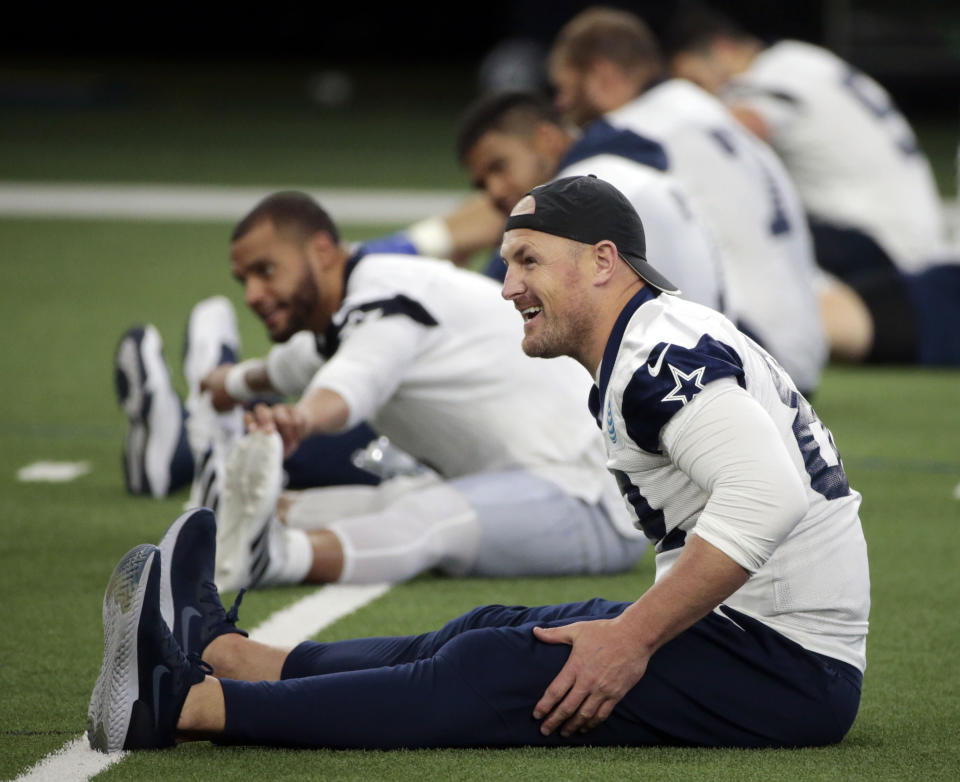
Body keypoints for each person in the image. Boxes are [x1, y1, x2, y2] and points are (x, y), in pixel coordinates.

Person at [88, 176, 870, 753]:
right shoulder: (655, 336)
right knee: (487, 627)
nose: (507, 287)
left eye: (527, 260)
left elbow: (770, 494)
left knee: (489, 670)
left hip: (786, 667)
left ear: (602, 262)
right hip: (763, 642)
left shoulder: (655, 355)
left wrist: (631, 639)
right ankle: (234, 656)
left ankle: (185, 703)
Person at [201, 189, 646, 590]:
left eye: (266, 271)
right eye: (245, 281)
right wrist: (226, 384)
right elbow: (289, 367)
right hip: (527, 478)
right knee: (388, 498)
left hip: (591, 499)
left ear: (320, 251)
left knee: (430, 515)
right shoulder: (362, 300)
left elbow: (351, 384)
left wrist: (299, 418)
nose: (253, 295)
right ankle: (219, 519)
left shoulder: (387, 301)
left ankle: (274, 560)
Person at [547, 6, 827, 395]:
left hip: (746, 352)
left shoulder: (630, 132)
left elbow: (537, 222)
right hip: (798, 353)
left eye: (564, 89)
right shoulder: (704, 110)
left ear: (601, 76)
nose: (560, 106)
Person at [666, 5, 960, 365]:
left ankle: (745, 328)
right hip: (907, 234)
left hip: (873, 242)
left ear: (724, 49)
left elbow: (731, 135)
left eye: (697, 82)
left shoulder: (765, 77)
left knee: (745, 240)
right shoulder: (803, 60)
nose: (701, 96)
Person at [454, 89, 728, 313]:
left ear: (546, 139)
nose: (494, 192)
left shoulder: (573, 194)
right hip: (716, 346)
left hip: (676, 365)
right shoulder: (620, 166)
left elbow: (485, 311)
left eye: (499, 167)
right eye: (482, 184)